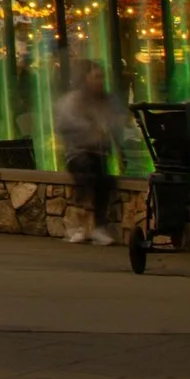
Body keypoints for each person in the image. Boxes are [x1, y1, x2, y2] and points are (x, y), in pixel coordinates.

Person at [54, 60, 127, 245]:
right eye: (96, 77)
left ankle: (97, 226)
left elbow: (118, 124)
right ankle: (80, 225)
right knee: (86, 170)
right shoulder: (72, 101)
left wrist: (118, 146)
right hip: (77, 153)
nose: (100, 81)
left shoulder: (109, 100)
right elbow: (64, 125)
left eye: (102, 77)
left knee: (102, 177)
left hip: (100, 153)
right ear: (85, 78)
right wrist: (91, 128)